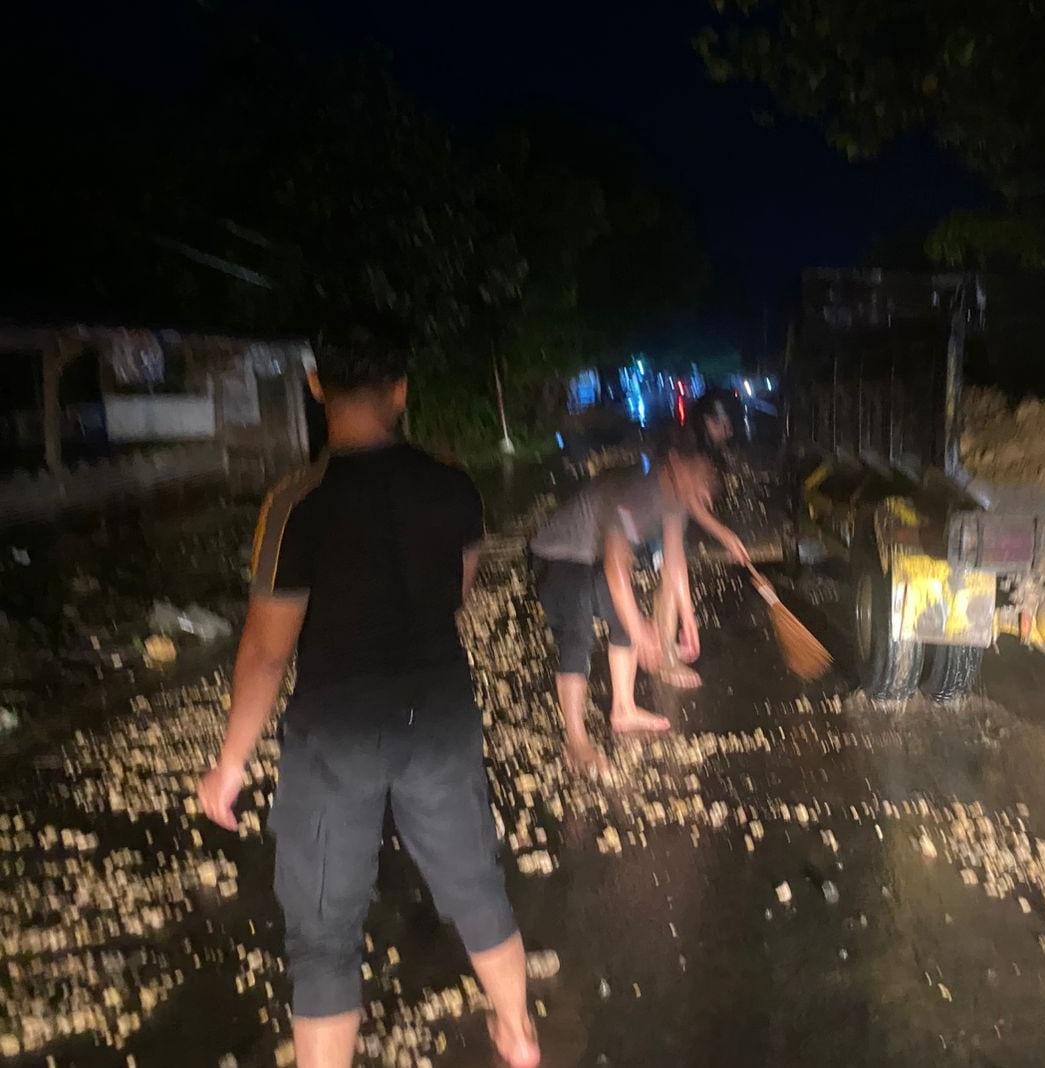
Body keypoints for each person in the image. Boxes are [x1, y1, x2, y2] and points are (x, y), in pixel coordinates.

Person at [195, 331, 539, 1068]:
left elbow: (265, 652)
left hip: (336, 734)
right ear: (401, 389)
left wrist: (230, 763)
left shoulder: (297, 503)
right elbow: (458, 591)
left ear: (317, 387)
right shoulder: (453, 485)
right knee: (477, 886)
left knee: (323, 938)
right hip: (437, 713)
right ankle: (518, 1036)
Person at [528, 434, 745, 768]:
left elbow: (673, 559)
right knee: (579, 634)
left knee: (627, 619)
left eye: (708, 485)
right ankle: (577, 742)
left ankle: (624, 710)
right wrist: (641, 632)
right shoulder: (637, 492)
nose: (704, 491)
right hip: (557, 556)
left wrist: (688, 617)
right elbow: (616, 567)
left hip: (592, 558)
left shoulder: (675, 500)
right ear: (675, 462)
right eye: (700, 476)